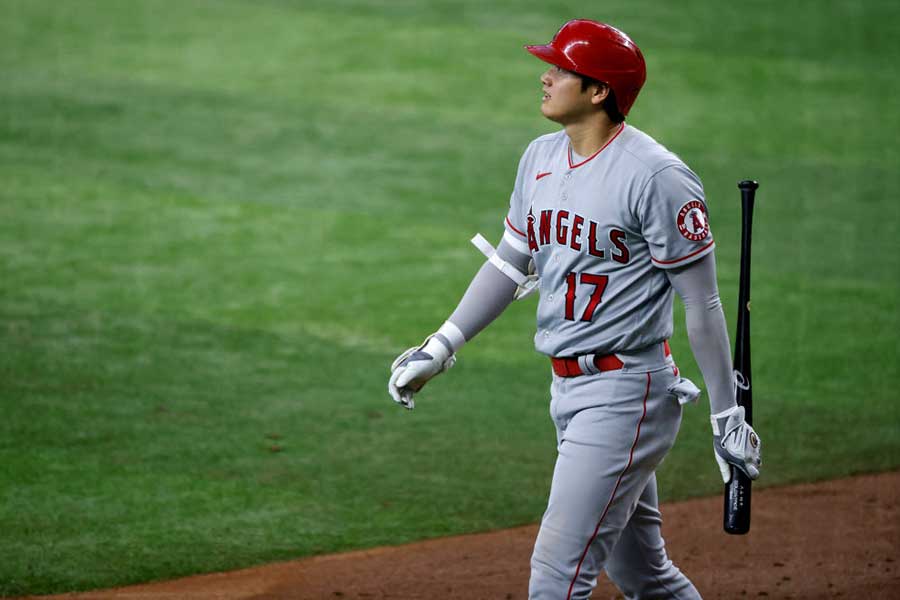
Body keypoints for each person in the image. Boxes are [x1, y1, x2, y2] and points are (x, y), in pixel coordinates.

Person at [388, 19, 761, 600]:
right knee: (643, 574)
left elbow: (703, 301)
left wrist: (726, 416)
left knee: (556, 576)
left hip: (627, 391)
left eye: (561, 69)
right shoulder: (539, 157)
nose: (545, 75)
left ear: (598, 91)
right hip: (567, 391)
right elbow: (511, 265)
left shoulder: (657, 177)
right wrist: (441, 344)